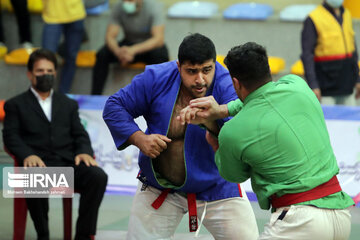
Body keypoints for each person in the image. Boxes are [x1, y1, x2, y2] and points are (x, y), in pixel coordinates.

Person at [179, 42, 355, 240]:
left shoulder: (232, 131)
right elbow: (262, 96)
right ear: (268, 69)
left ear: (236, 83)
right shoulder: (297, 85)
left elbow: (234, 175)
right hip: (340, 215)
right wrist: (223, 110)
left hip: (299, 221)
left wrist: (216, 144)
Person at [103, 33, 258, 239]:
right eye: (191, 71)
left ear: (215, 64)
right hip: (160, 187)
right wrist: (139, 138)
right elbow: (115, 106)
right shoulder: (156, 78)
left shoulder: (227, 84)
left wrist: (211, 119)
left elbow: (242, 135)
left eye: (206, 70)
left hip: (218, 188)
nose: (200, 79)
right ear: (178, 66)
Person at [2, 48, 108, 240]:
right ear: (29, 74)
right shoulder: (15, 105)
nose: (46, 75)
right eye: (40, 71)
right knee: (33, 176)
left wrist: (84, 151)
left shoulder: (68, 104)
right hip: (36, 167)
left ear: (55, 73)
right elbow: (11, 137)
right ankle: (43, 235)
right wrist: (27, 154)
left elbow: (80, 134)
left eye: (50, 71)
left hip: (66, 167)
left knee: (98, 176)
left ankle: (83, 236)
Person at [91, 0, 169, 95]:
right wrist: (118, 52)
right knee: (102, 54)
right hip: (127, 45)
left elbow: (158, 39)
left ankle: (159, 96)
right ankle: (95, 95)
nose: (127, 2)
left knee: (160, 56)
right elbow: (109, 36)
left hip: (147, 46)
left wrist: (133, 50)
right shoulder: (119, 7)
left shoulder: (154, 7)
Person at [301, 0, 360, 105]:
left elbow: (353, 50)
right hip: (325, 86)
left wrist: (357, 79)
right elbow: (307, 55)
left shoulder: (346, 14)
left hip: (347, 84)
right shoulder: (313, 18)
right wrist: (313, 85)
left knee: (349, 119)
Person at [41, 0, 86, 93]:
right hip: (52, 14)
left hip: (76, 13)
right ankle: (44, 94)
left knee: (71, 57)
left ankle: (63, 94)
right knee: (46, 58)